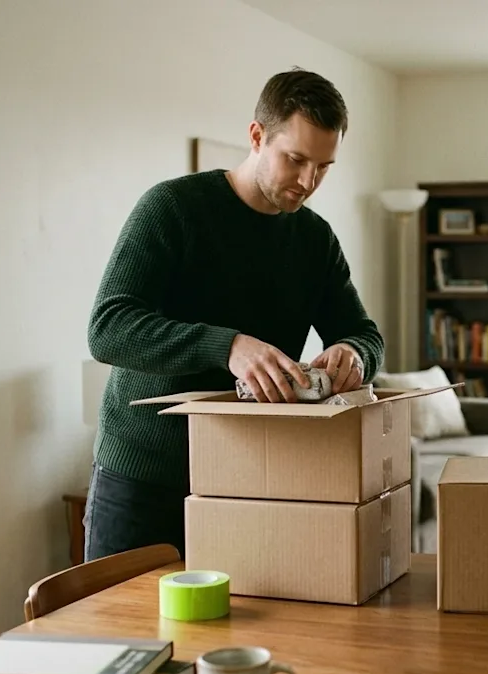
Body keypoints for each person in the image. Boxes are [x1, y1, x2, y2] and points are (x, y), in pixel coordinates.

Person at [84, 68, 385, 561]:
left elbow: (364, 334)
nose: (309, 181)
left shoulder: (315, 240)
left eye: (324, 166)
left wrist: (355, 353)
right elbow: (107, 328)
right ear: (256, 136)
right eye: (296, 159)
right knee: (121, 633)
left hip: (251, 477)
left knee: (241, 631)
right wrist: (227, 346)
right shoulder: (172, 208)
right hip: (143, 478)